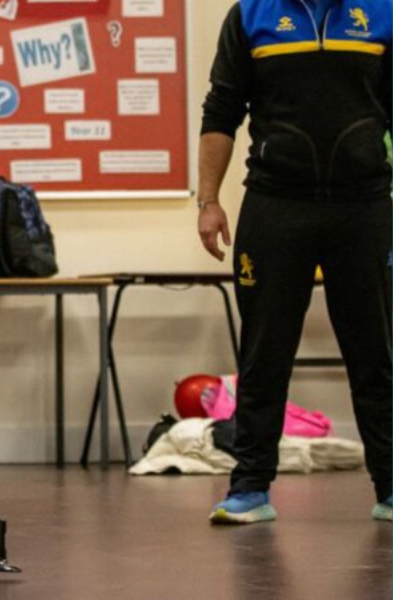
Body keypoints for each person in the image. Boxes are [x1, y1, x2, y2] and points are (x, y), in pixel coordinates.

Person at [197, 0, 391, 524]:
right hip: (275, 206)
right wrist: (209, 201)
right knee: (264, 352)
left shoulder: (382, 13)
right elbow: (221, 111)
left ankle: (391, 488)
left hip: (365, 206)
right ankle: (250, 490)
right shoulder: (251, 16)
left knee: (377, 352)